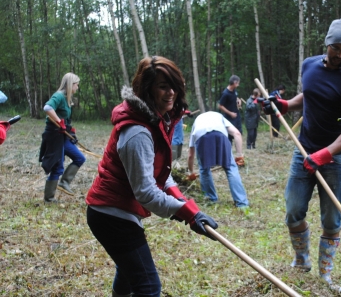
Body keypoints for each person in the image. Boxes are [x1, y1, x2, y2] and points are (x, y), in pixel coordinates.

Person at [85, 56, 218, 297]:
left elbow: (161, 176)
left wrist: (192, 210)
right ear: (147, 90)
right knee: (148, 287)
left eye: (174, 86)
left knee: (128, 274)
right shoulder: (138, 132)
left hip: (119, 211)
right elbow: (146, 191)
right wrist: (186, 214)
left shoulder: (156, 121)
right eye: (163, 86)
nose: (171, 93)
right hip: (110, 215)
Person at [261, 16, 341, 293]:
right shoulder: (309, 65)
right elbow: (308, 96)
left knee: (331, 219)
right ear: (327, 43)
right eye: (337, 48)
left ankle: (325, 275)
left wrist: (324, 154)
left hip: (334, 158)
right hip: (302, 150)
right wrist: (284, 105)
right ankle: (301, 260)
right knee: (293, 211)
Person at [187, 111, 249, 210]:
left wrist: (191, 172)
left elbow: (191, 155)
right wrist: (239, 155)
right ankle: (242, 203)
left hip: (202, 138)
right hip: (221, 136)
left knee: (204, 169)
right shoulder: (219, 117)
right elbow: (237, 133)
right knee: (230, 168)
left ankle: (210, 199)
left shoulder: (196, 122)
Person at [39, 73, 86, 203]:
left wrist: (70, 131)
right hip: (54, 136)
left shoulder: (67, 98)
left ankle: (64, 182)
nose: (77, 87)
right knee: (57, 166)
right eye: (77, 84)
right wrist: (59, 121)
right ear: (71, 84)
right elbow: (47, 107)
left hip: (63, 136)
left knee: (79, 158)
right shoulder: (59, 95)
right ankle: (49, 199)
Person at [218, 75, 242, 143]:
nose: (238, 85)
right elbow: (220, 106)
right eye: (238, 83)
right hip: (229, 118)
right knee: (229, 137)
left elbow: (235, 97)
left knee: (239, 133)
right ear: (234, 82)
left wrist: (238, 101)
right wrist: (230, 113)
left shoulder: (234, 90)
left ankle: (239, 152)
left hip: (237, 116)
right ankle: (228, 151)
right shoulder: (225, 93)